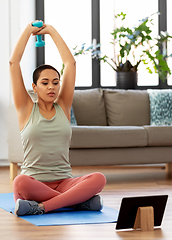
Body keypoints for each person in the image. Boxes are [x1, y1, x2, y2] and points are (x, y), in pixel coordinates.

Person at [9, 21, 106, 216]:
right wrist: (28, 31)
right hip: (34, 183)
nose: (51, 87)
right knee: (20, 182)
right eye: (45, 83)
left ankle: (43, 207)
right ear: (34, 87)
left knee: (99, 178)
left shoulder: (63, 107)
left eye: (55, 82)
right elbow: (14, 64)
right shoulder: (25, 108)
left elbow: (70, 63)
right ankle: (76, 202)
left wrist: (52, 31)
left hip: (64, 182)